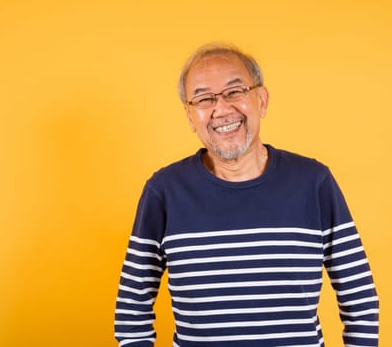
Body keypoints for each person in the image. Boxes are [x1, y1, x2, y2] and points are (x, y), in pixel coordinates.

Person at [114, 43, 379, 347]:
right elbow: (132, 309)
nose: (222, 109)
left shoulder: (314, 182)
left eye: (235, 92)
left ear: (262, 100)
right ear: (190, 117)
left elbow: (359, 298)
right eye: (203, 98)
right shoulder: (163, 191)